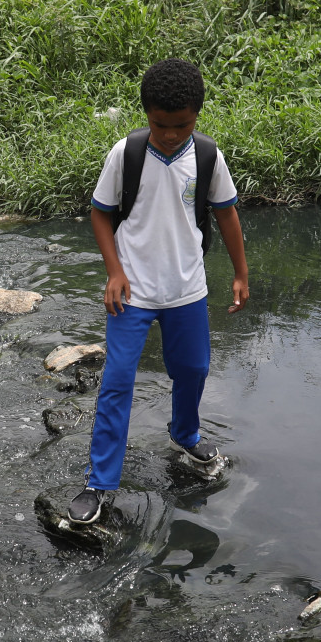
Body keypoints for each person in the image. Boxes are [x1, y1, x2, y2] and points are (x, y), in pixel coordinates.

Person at [67, 58, 250, 524]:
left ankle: (184, 435)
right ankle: (100, 482)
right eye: (160, 124)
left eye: (181, 125)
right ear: (146, 115)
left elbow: (227, 214)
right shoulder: (125, 154)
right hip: (131, 290)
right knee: (117, 382)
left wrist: (240, 273)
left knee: (193, 368)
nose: (170, 134)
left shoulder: (207, 157)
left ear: (197, 116)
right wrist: (113, 271)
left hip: (187, 286)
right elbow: (100, 213)